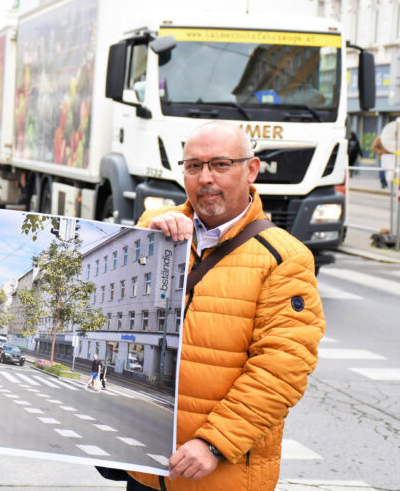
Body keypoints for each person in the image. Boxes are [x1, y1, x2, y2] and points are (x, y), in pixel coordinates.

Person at [98, 121, 324, 490]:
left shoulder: (284, 258)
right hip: (148, 471)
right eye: (193, 166)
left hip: (219, 474)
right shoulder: (157, 229)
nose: (205, 178)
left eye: (220, 164)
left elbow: (281, 370)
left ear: (251, 170)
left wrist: (214, 443)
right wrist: (148, 238)